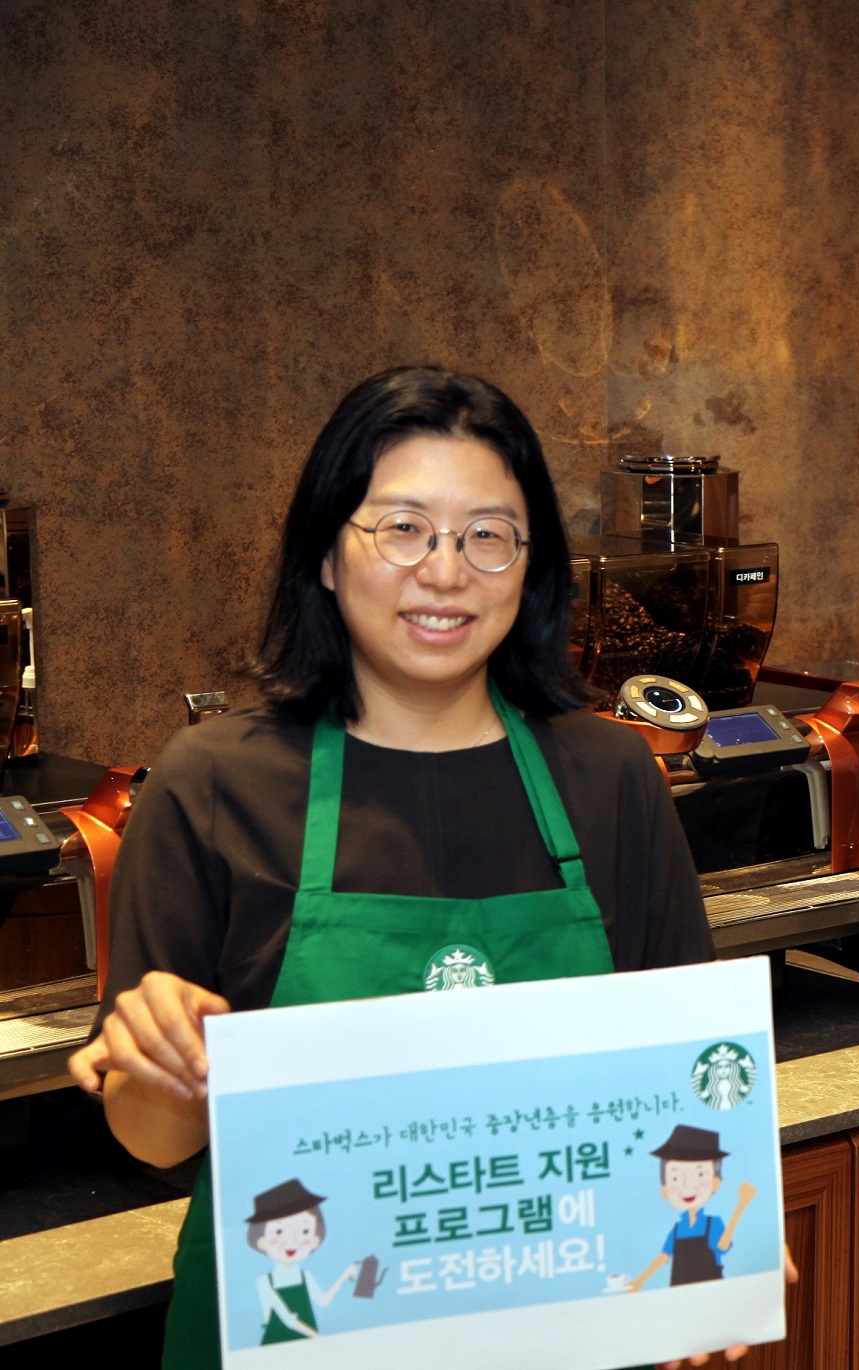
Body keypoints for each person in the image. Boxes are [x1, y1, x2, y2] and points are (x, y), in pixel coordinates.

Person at [65, 366, 745, 1367]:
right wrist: (165, 1061)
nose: (445, 571)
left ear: (531, 566)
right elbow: (152, 1139)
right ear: (326, 554)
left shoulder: (610, 777)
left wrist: (719, 1252)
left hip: (559, 1329)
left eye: (487, 534)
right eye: (403, 528)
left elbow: (688, 1085)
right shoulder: (211, 783)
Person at [629, 1125, 757, 1290]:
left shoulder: (713, 1223)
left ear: (715, 1182)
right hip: (680, 1292)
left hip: (712, 1291)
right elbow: (663, 1256)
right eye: (675, 1177)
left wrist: (742, 1204)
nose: (687, 1186)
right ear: (665, 1190)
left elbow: (723, 1246)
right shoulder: (678, 1228)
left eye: (700, 1174)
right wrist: (640, 1281)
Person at [242, 1179, 355, 1343]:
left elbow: (323, 1301)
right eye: (279, 1231)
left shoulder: (304, 1275)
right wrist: (319, 1338)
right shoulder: (264, 1282)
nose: (292, 1240)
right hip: (279, 1344)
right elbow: (287, 1319)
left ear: (315, 1238)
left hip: (310, 1340)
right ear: (262, 1241)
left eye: (305, 1231)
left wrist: (344, 1276)